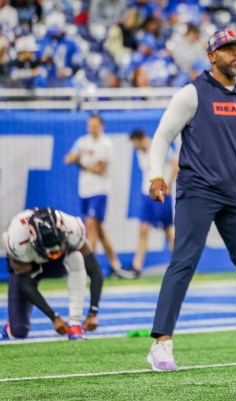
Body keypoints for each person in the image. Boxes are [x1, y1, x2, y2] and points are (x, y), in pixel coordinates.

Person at [146, 28, 236, 371]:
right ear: (211, 56)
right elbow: (162, 138)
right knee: (184, 261)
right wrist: (155, 175)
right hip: (198, 191)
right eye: (229, 49)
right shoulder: (192, 93)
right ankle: (161, 344)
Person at [1, 207, 105, 340]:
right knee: (19, 331)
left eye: (58, 250)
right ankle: (11, 325)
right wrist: (54, 317)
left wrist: (93, 312)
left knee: (76, 258)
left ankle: (75, 324)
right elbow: (27, 285)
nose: (54, 255)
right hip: (29, 267)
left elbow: (95, 271)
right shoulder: (17, 240)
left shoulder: (72, 227)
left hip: (58, 267)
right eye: (50, 252)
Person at [64, 114, 133, 279]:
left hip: (99, 190)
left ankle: (89, 268)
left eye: (95, 125)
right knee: (99, 230)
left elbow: (100, 169)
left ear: (101, 126)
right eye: (90, 125)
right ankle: (115, 264)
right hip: (85, 190)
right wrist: (80, 159)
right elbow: (68, 158)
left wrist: (82, 163)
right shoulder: (82, 141)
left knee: (91, 226)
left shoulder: (106, 143)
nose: (92, 128)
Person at [128, 129, 177, 276]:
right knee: (143, 229)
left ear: (142, 139)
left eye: (136, 143)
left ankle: (179, 263)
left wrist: (168, 184)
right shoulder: (139, 151)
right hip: (146, 195)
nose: (135, 147)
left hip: (161, 194)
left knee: (167, 230)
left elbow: (175, 163)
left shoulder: (158, 148)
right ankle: (137, 266)